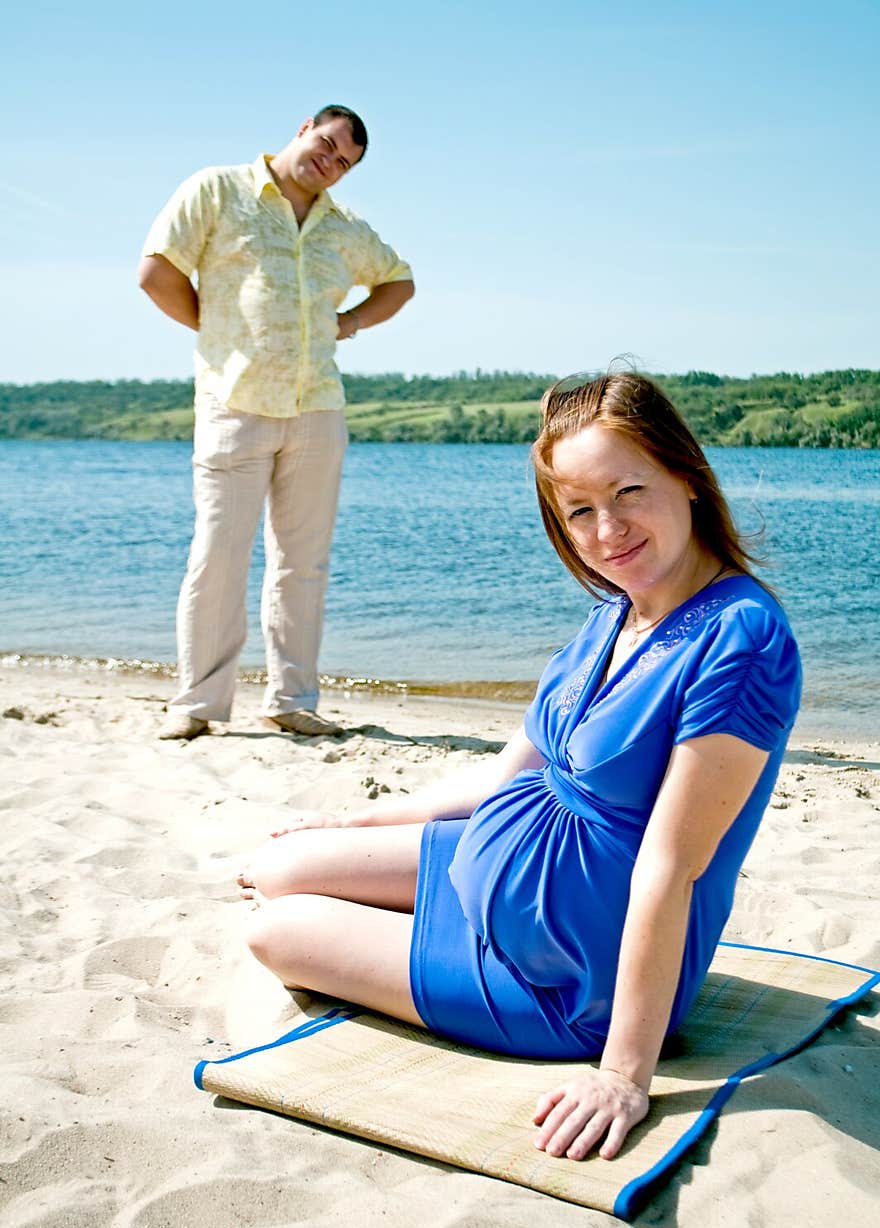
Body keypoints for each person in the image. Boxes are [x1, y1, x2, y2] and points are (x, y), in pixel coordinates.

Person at [236, 370, 802, 1161]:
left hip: (575, 977)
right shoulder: (619, 610)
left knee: (276, 928)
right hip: (505, 879)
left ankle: (461, 961)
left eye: (628, 490)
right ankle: (430, 919)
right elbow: (513, 774)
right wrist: (358, 819)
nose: (608, 530)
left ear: (686, 474)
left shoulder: (743, 639)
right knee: (280, 864)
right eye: (579, 510)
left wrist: (622, 1075)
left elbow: (670, 868)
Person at [138, 105, 415, 741]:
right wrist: (217, 332)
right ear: (301, 131)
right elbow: (156, 272)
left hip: (317, 408)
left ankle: (292, 699)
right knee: (217, 558)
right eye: (327, 145)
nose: (330, 163)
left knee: (303, 564)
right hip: (234, 403)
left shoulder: (343, 227)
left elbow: (400, 282)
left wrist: (349, 323)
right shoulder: (218, 188)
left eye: (344, 163)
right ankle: (197, 705)